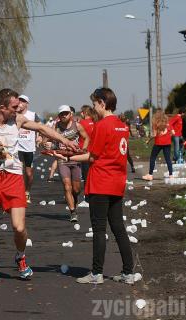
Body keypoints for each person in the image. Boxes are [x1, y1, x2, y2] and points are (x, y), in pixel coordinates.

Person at [0, 88, 78, 285]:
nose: (18, 109)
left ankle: (20, 256)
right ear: (2, 107)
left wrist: (64, 140)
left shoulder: (18, 120)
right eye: (14, 107)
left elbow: (41, 128)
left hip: (12, 176)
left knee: (19, 227)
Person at [50, 88, 134, 285]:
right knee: (119, 228)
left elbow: (91, 156)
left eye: (95, 103)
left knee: (98, 229)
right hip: (117, 182)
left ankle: (96, 273)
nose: (94, 107)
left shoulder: (102, 125)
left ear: (103, 103)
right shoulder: (123, 126)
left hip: (101, 182)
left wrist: (65, 156)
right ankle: (128, 272)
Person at [51, 104, 89, 222]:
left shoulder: (77, 125)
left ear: (70, 114)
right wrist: (44, 143)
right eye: (61, 114)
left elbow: (87, 138)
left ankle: (75, 199)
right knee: (67, 186)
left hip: (75, 158)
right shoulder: (55, 127)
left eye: (66, 113)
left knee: (76, 189)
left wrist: (83, 149)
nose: (64, 116)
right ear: (59, 116)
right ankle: (73, 212)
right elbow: (47, 138)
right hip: (62, 159)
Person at [16, 94, 41, 204]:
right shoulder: (14, 114)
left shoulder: (32, 115)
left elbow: (41, 126)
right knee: (18, 172)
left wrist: (40, 136)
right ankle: (19, 194)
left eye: (23, 101)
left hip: (29, 148)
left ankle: (27, 191)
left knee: (29, 173)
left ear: (27, 104)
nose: (20, 103)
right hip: (17, 147)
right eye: (19, 101)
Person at [142, 110, 174, 181]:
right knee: (168, 159)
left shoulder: (155, 124)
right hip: (167, 143)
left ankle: (150, 175)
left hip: (158, 143)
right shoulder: (167, 123)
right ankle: (171, 175)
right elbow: (173, 133)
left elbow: (154, 135)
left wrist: (148, 140)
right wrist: (168, 137)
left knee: (153, 157)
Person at [79, 105, 97, 181]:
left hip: (84, 151)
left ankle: (87, 192)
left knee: (86, 176)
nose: (80, 113)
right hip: (94, 151)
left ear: (85, 112)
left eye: (81, 112)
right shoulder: (95, 122)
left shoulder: (81, 123)